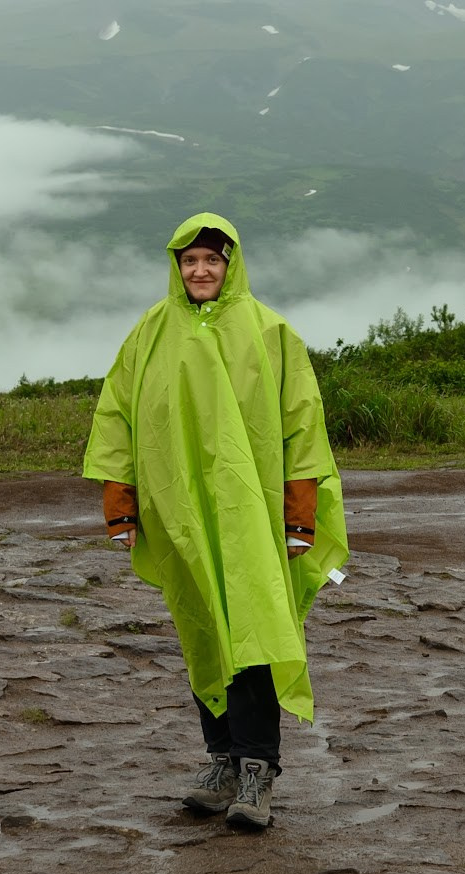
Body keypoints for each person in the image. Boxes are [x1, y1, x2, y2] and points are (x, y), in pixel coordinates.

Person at [82, 213, 348, 831]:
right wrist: (119, 503)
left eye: (213, 260)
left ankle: (259, 769)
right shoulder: (151, 331)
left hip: (252, 511)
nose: (201, 271)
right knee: (202, 625)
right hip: (181, 509)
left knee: (253, 626)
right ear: (176, 267)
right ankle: (222, 759)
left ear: (232, 264)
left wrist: (300, 515)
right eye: (190, 261)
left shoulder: (269, 331)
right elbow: (117, 414)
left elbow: (301, 424)